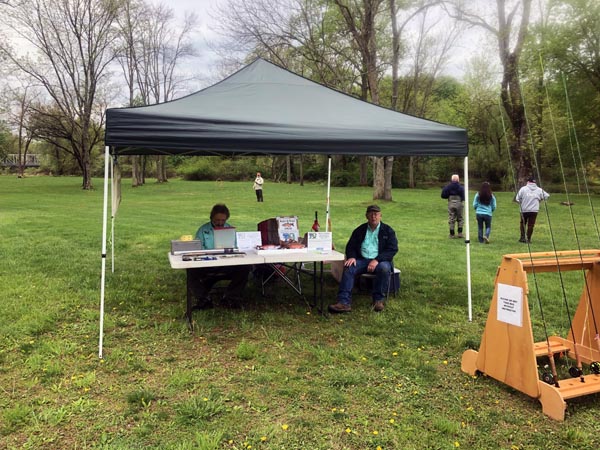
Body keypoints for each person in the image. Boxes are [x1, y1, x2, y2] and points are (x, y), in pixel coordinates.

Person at [328, 205, 398, 313]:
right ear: (366, 216)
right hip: (362, 260)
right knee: (349, 267)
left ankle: (378, 300)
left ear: (380, 216)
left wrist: (377, 260)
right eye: (371, 214)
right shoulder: (359, 230)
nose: (373, 216)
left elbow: (392, 249)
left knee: (384, 268)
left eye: (376, 214)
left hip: (380, 261)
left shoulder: (388, 231)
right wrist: (352, 257)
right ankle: (343, 302)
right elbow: (350, 246)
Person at [189, 204, 250, 308]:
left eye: (223, 220)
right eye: (217, 220)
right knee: (190, 271)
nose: (220, 223)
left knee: (245, 267)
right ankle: (204, 299)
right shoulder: (203, 230)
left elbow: (236, 246)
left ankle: (231, 297)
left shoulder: (230, 229)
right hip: (207, 264)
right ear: (211, 218)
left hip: (227, 263)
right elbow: (197, 247)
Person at [515, 177, 550, 243]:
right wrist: (540, 200)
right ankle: (528, 239)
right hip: (534, 210)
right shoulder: (539, 190)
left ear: (528, 182)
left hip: (524, 209)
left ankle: (522, 237)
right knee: (531, 225)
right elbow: (547, 196)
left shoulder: (523, 189)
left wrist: (522, 202)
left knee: (523, 223)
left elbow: (517, 199)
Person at [441, 174, 465, 239]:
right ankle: (460, 233)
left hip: (451, 202)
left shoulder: (448, 187)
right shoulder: (461, 187)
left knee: (451, 218)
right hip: (459, 203)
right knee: (460, 218)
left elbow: (443, 195)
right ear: (458, 179)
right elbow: (464, 196)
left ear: (452, 179)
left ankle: (452, 234)